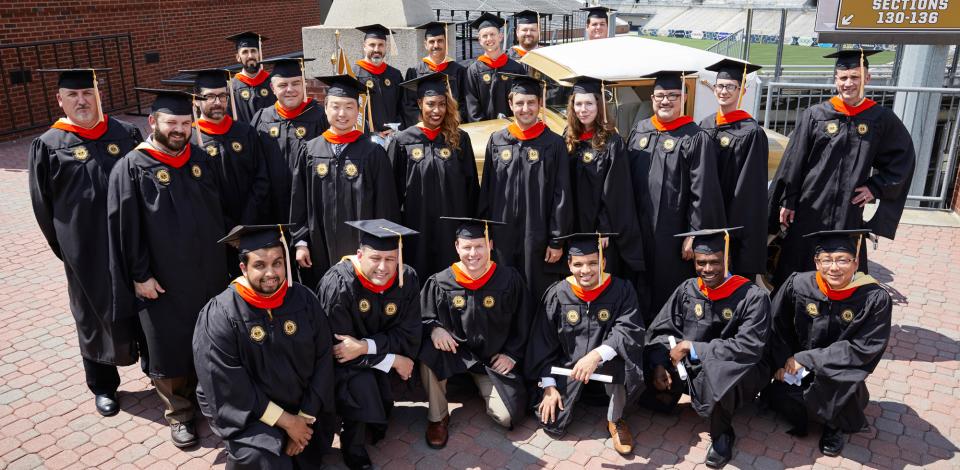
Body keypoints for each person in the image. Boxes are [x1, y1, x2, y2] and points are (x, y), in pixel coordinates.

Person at [107, 89, 228, 447]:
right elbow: (124, 230)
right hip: (162, 279)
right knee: (168, 344)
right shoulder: (131, 167)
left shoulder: (201, 160)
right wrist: (139, 275)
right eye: (171, 123)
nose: (179, 130)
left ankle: (212, 401)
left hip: (208, 273)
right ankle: (179, 413)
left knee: (210, 338)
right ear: (152, 123)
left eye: (185, 123)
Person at [29, 68, 143, 417]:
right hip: (86, 251)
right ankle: (103, 385)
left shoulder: (125, 134)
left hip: (132, 244)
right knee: (92, 316)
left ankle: (158, 371)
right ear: (59, 100)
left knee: (145, 305)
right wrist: (68, 249)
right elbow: (42, 206)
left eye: (88, 94)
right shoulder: (49, 145)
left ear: (98, 96)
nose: (82, 101)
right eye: (73, 95)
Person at [767, 50, 916, 288]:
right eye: (843, 77)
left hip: (848, 210)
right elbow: (794, 161)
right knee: (798, 265)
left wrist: (875, 187)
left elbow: (902, 158)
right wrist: (788, 199)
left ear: (867, 78)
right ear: (835, 79)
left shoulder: (879, 118)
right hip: (810, 206)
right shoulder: (816, 115)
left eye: (855, 77)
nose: (849, 83)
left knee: (844, 267)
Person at [194, 224, 336, 469]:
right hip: (250, 414)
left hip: (301, 406)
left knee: (307, 456)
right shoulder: (221, 313)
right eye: (260, 265)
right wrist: (288, 423)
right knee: (262, 459)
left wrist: (303, 416)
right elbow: (228, 384)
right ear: (243, 268)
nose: (271, 273)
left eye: (277, 263)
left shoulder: (303, 300)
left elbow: (323, 358)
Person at [753, 229, 891, 457]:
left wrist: (806, 359)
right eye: (826, 259)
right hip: (795, 367)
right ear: (817, 262)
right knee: (781, 397)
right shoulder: (799, 285)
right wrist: (781, 362)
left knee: (837, 391)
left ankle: (833, 426)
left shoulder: (874, 298)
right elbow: (777, 327)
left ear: (856, 263)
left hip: (837, 374)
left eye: (842, 260)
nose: (834, 267)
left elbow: (863, 348)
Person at [641, 228, 771, 469]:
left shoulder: (752, 297)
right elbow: (662, 328)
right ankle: (669, 394)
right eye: (701, 263)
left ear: (727, 259)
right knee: (647, 359)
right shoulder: (689, 289)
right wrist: (660, 363)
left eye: (714, 262)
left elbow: (748, 347)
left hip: (736, 367)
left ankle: (722, 434)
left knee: (722, 373)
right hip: (692, 364)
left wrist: (693, 347)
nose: (707, 269)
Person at [315, 220, 421, 470]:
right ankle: (352, 447)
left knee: (378, 404)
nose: (383, 267)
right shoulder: (339, 285)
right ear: (360, 254)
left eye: (391, 259)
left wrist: (365, 346)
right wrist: (392, 359)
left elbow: (409, 333)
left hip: (369, 355)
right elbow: (337, 351)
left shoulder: (407, 278)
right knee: (360, 383)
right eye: (375, 258)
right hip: (345, 367)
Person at [525, 233, 644, 454]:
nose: (586, 270)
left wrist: (596, 355)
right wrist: (549, 387)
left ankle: (615, 419)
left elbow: (628, 330)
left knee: (622, 357)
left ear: (604, 262)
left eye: (592, 263)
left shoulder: (621, 290)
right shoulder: (558, 294)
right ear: (569, 265)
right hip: (570, 370)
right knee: (553, 424)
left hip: (607, 369)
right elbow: (542, 342)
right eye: (578, 264)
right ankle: (564, 395)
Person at [418, 217, 531, 448]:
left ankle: (480, 386)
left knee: (507, 416)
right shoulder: (441, 281)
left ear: (490, 245)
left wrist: (512, 354)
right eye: (467, 247)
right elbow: (422, 316)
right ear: (457, 247)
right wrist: (434, 328)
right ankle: (438, 417)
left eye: (479, 246)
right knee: (429, 350)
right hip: (455, 354)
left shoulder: (508, 280)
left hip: (491, 361)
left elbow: (525, 320)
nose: (473, 253)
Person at [626, 70, 725, 319]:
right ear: (652, 98)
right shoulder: (640, 131)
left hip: (672, 232)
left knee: (665, 285)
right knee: (636, 283)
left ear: (683, 99)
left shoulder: (694, 137)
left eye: (672, 95)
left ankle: (664, 337)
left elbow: (703, 190)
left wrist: (694, 233)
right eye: (660, 95)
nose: (666, 101)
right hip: (637, 227)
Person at [291, 74, 400, 283]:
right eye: (335, 106)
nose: (342, 114)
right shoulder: (310, 150)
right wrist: (301, 242)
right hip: (318, 245)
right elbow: (298, 201)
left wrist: (384, 248)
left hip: (364, 247)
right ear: (325, 108)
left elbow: (386, 204)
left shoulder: (372, 152)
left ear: (358, 111)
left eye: (349, 107)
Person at [478, 73, 572, 298]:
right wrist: (485, 233)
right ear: (510, 104)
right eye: (519, 103)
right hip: (502, 234)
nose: (525, 109)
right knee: (503, 288)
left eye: (531, 102)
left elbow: (562, 195)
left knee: (536, 289)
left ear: (540, 104)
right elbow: (487, 190)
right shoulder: (498, 140)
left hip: (537, 234)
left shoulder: (554, 143)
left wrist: (557, 240)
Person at [388, 72, 478, 278]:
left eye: (441, 104)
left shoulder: (459, 139)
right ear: (420, 103)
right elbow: (392, 193)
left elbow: (471, 188)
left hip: (452, 228)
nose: (436, 110)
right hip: (416, 228)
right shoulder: (402, 141)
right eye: (430, 104)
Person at [563, 76, 645, 281]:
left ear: (599, 105)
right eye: (578, 104)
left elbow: (616, 190)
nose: (583, 109)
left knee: (598, 273)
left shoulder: (611, 141)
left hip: (598, 226)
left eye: (589, 103)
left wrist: (606, 228)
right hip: (572, 223)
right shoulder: (567, 137)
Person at [698, 59, 768, 281]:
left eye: (730, 87)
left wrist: (731, 226)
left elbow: (750, 188)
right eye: (720, 86)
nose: (724, 91)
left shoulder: (751, 132)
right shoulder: (705, 125)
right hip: (706, 213)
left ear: (742, 90)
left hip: (733, 219)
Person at [185, 68, 270, 240]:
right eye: (209, 96)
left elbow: (261, 178)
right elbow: (196, 193)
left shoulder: (246, 132)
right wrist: (228, 228)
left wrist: (247, 221)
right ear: (195, 101)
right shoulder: (190, 140)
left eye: (222, 96)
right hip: (214, 230)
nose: (217, 102)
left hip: (253, 224)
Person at [251, 57, 327, 224]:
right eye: (282, 85)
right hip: (272, 206)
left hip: (311, 204)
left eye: (295, 83)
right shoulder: (262, 118)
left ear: (304, 84)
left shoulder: (319, 116)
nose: (290, 89)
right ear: (272, 88)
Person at [463, 12, 526, 122]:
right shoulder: (473, 71)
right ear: (479, 40)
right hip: (484, 130)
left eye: (492, 34)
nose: (489, 39)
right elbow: (472, 105)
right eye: (485, 36)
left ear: (500, 36)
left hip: (513, 127)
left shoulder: (516, 68)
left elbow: (523, 99)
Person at [403, 21, 468, 125]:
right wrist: (426, 123)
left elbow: (464, 103)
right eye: (432, 41)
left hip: (452, 128)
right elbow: (409, 106)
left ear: (446, 42)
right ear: (425, 44)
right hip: (424, 130)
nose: (436, 45)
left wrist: (452, 122)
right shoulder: (414, 72)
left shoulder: (459, 71)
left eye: (440, 41)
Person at [353, 24, 405, 137]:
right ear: (364, 46)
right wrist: (371, 133)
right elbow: (351, 110)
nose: (376, 49)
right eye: (372, 45)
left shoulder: (395, 75)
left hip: (393, 137)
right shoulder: (353, 74)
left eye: (381, 45)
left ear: (386, 47)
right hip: (364, 138)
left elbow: (403, 106)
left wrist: (397, 127)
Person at [226, 32, 275, 123]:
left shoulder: (272, 82)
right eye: (245, 52)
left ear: (259, 54)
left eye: (253, 51)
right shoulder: (232, 87)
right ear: (238, 57)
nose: (250, 56)